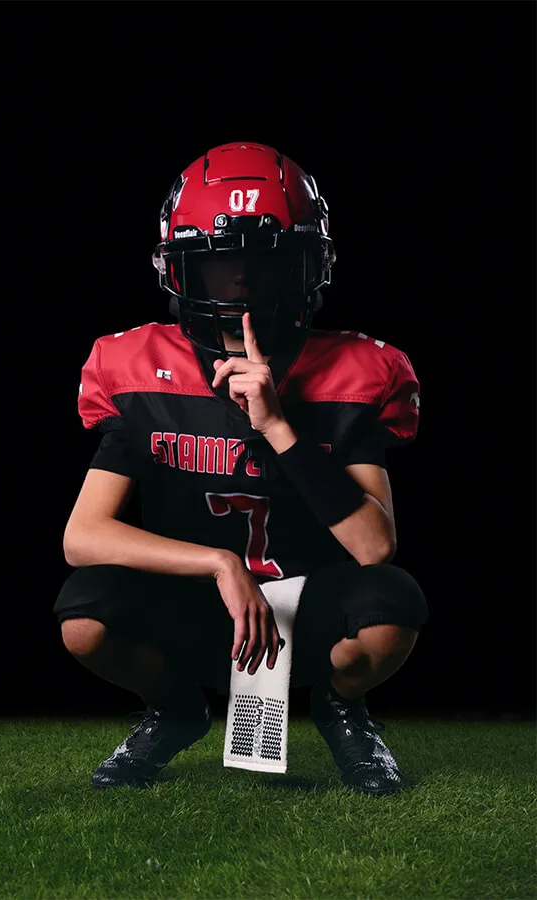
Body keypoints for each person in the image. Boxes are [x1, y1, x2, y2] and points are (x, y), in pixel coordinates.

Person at [53, 141, 429, 796]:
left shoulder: (355, 372)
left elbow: (375, 547)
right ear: (182, 270)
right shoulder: (141, 367)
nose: (244, 281)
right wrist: (219, 565)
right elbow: (82, 537)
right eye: (223, 261)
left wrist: (279, 426)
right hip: (197, 609)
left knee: (392, 606)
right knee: (85, 614)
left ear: (307, 266)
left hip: (303, 611)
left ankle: (343, 708)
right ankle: (175, 710)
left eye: (266, 261)